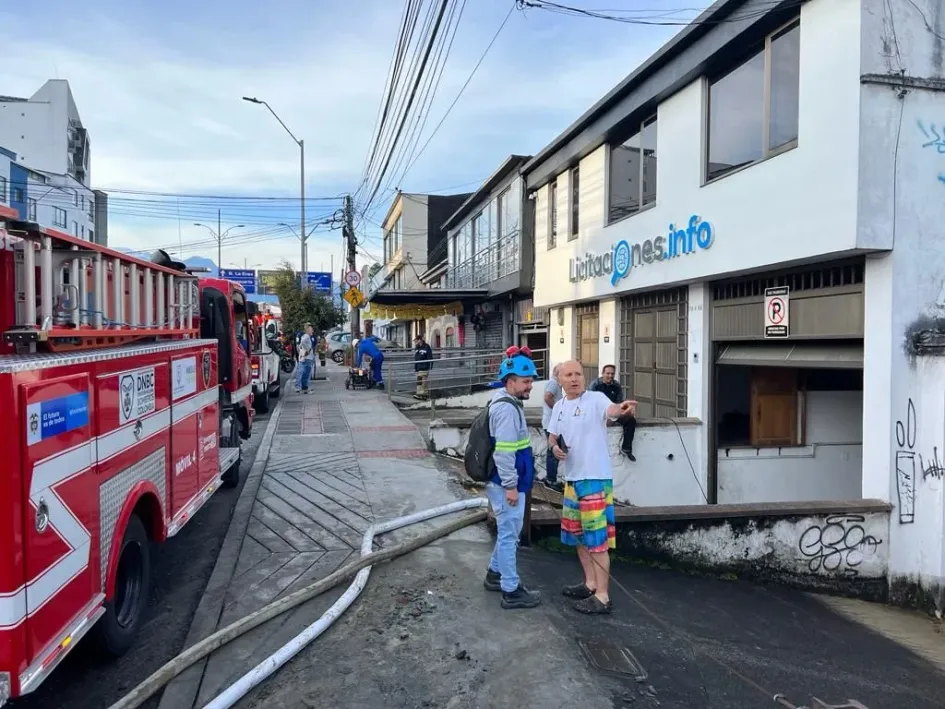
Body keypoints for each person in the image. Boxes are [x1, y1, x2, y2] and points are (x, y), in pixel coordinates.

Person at [548, 360, 636, 614]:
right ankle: (589, 583)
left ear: (584, 378)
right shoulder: (560, 407)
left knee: (597, 540)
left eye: (578, 374)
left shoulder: (595, 399)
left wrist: (623, 407)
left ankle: (603, 596)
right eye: (568, 375)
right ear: (560, 380)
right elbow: (552, 436)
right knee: (578, 536)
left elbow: (613, 410)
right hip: (573, 480)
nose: (574, 378)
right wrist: (554, 447)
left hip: (595, 479)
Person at [483, 347, 541, 610]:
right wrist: (511, 486)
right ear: (510, 381)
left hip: (509, 481)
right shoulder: (506, 410)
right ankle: (511, 589)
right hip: (507, 483)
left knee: (509, 531)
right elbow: (504, 453)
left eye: (531, 381)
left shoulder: (507, 402)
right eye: (526, 381)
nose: (530, 386)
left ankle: (495, 574)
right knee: (509, 535)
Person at [589, 364, 637, 461]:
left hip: (614, 411)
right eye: (608, 373)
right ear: (602, 373)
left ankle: (626, 448)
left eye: (612, 374)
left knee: (631, 420)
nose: (610, 376)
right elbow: (590, 404)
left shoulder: (616, 385)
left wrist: (626, 410)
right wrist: (606, 417)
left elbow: (619, 402)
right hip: (599, 414)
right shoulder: (595, 385)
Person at [542, 363, 563, 492]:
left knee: (553, 451)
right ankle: (551, 479)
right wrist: (558, 410)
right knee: (552, 452)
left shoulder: (555, 384)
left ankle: (551, 478)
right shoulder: (553, 384)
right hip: (550, 424)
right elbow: (547, 397)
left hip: (551, 423)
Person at [295, 323, 316, 394]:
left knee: (301, 372)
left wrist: (300, 351)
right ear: (308, 330)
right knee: (306, 374)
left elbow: (300, 345)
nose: (312, 331)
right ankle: (304, 387)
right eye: (311, 330)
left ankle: (300, 387)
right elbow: (303, 342)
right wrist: (308, 350)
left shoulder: (304, 336)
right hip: (308, 358)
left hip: (303, 357)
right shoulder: (306, 336)